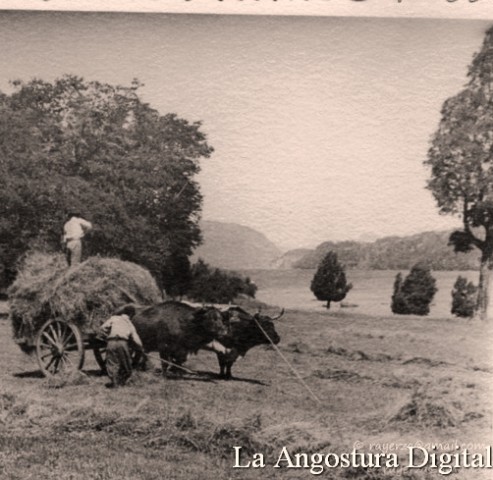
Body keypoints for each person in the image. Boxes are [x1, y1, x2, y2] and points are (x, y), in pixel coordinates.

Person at [99, 305, 145, 387]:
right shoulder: (130, 324)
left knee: (112, 363)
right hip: (122, 343)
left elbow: (102, 327)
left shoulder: (114, 318)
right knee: (126, 364)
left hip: (111, 342)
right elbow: (136, 338)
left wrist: (107, 333)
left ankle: (115, 382)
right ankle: (120, 382)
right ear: (131, 315)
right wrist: (141, 348)